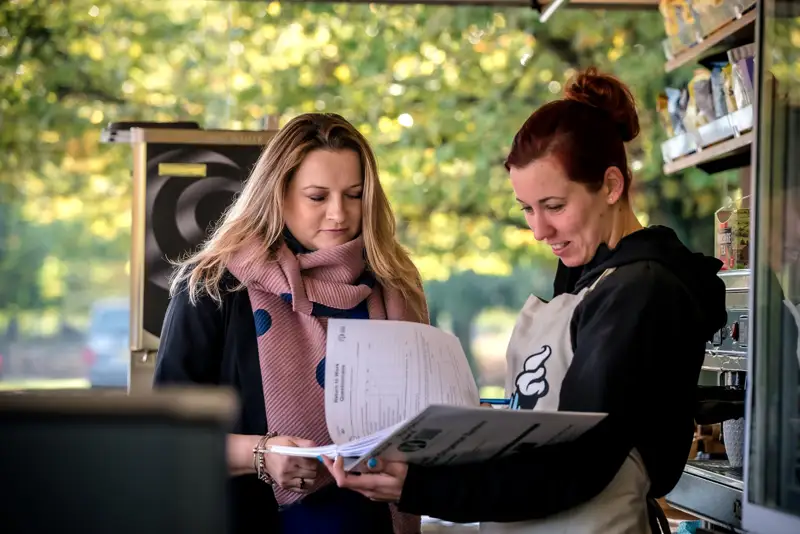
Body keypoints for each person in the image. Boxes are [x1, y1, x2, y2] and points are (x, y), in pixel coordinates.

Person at [324, 68, 728, 533]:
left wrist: (419, 487)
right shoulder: (592, 277)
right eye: (527, 209)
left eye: (554, 206)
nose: (539, 230)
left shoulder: (640, 292)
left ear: (612, 187)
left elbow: (575, 466)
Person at [153, 113, 428, 534]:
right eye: (317, 197)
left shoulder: (394, 281)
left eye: (354, 195)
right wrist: (259, 454)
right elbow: (165, 441)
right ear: (278, 195)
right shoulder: (212, 286)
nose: (339, 214)